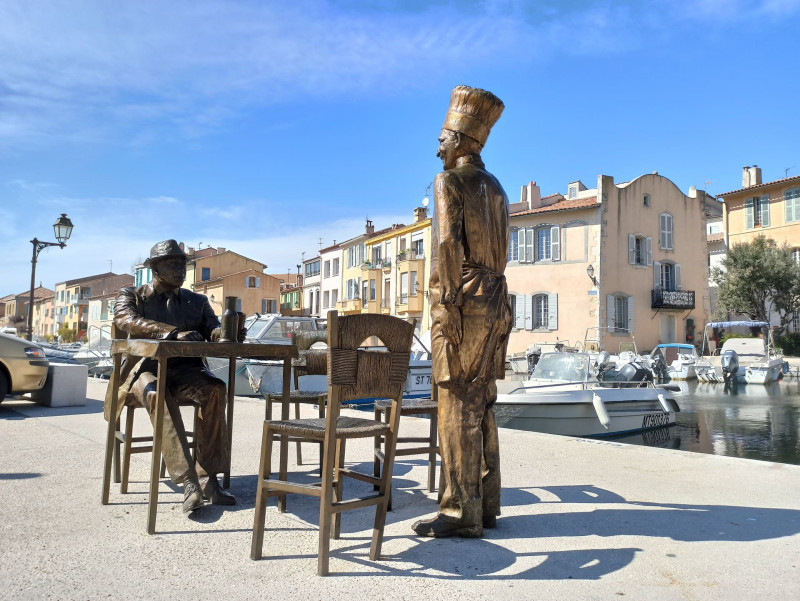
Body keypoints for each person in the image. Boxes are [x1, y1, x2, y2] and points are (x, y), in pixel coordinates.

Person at [412, 86, 513, 538]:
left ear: (462, 140)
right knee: (482, 403)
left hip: (463, 300)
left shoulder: (447, 182)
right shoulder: (497, 187)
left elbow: (447, 245)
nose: (437, 148)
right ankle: (486, 504)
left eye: (443, 138)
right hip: (495, 300)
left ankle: (459, 512)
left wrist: (446, 304)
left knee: (455, 406)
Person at [104, 239, 237, 513]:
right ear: (155, 267)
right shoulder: (132, 295)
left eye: (183, 264)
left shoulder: (197, 301)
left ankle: (208, 478)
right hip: (143, 371)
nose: (180, 269)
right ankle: (188, 480)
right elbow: (126, 320)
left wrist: (223, 332)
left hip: (185, 372)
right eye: (173, 263)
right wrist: (172, 332)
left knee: (215, 389)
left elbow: (212, 328)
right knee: (156, 392)